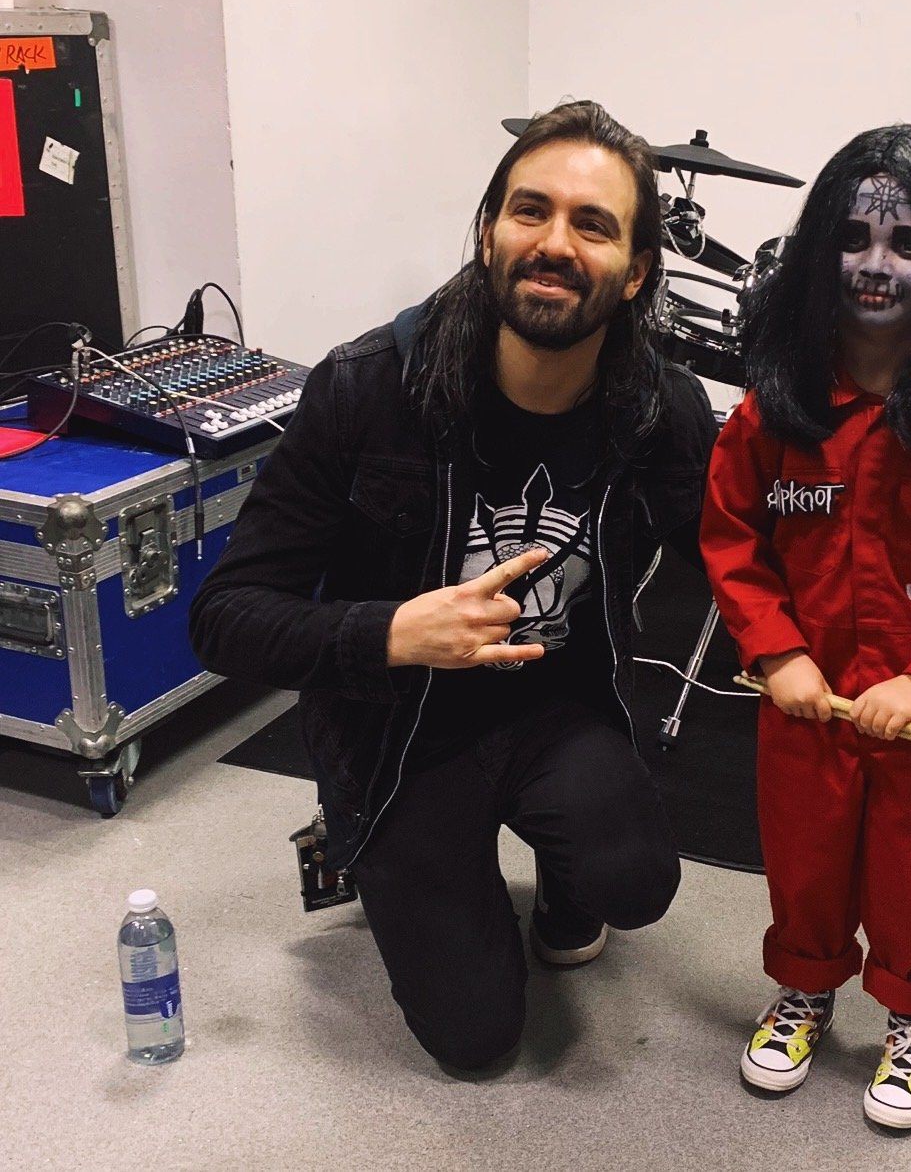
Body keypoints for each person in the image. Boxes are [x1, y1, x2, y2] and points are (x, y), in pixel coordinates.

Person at [190, 101, 717, 1069]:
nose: (555, 243)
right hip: (402, 726)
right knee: (478, 1042)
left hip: (558, 709)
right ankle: (382, 839)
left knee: (633, 881)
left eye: (592, 224)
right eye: (531, 210)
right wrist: (390, 633)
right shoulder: (362, 390)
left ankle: (562, 876)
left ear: (637, 272)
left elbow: (741, 563)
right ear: (488, 234)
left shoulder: (662, 412)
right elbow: (222, 621)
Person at [700, 125, 911, 1129]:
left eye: (910, 243)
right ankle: (805, 986)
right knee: (802, 858)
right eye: (854, 237)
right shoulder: (776, 408)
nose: (877, 265)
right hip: (808, 699)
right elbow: (731, 540)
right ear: (821, 249)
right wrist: (778, 649)